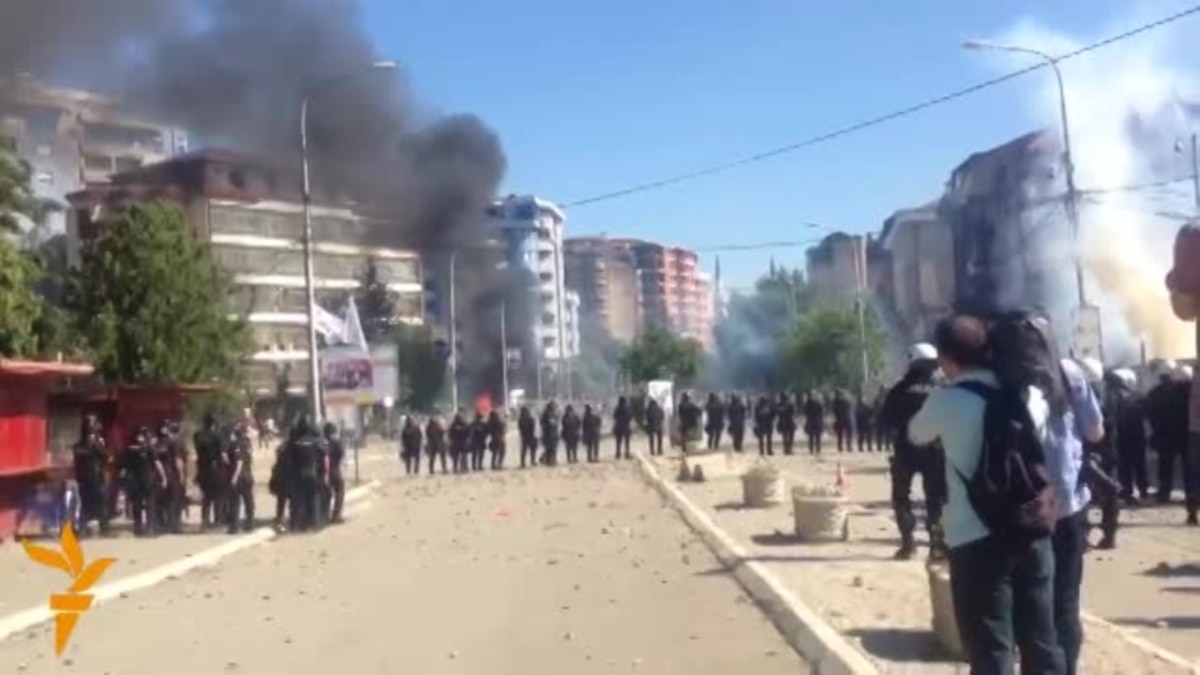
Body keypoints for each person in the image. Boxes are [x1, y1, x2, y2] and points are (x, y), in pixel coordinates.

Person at [908, 315, 1065, 674]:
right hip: (1032, 528)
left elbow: (916, 434)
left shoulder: (947, 400)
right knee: (1042, 639)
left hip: (976, 537)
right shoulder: (1029, 396)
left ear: (947, 360)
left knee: (991, 648)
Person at [880, 343, 945, 561]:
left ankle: (908, 545)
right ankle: (936, 548)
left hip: (905, 451)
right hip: (935, 452)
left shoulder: (899, 390)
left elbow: (884, 421)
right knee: (935, 500)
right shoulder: (942, 390)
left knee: (901, 497)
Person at [1109, 369, 1149, 504]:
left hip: (1128, 437)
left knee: (1130, 466)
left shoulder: (1134, 397)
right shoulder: (1138, 397)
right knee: (1133, 466)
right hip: (1130, 437)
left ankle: (1132, 491)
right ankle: (1134, 491)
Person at [122, 427, 163, 537]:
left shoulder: (129, 449)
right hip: (148, 479)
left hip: (135, 480)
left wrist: (126, 481)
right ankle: (150, 528)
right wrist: (163, 477)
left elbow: (125, 467)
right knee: (150, 504)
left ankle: (138, 528)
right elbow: (157, 463)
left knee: (137, 505)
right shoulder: (150, 448)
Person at [74, 415, 110, 537]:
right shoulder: (80, 444)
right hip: (84, 478)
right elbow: (78, 454)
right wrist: (90, 446)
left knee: (102, 503)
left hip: (97, 476)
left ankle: (104, 529)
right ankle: (83, 530)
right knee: (85, 504)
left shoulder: (99, 441)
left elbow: (106, 457)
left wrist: (97, 445)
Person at [193, 413, 225, 530]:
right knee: (218, 498)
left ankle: (204, 522)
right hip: (215, 469)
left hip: (202, 469)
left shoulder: (197, 435)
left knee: (206, 498)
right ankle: (217, 522)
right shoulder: (217, 436)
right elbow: (220, 454)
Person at [225, 424, 255, 534]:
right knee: (249, 501)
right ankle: (250, 524)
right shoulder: (248, 443)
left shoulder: (235, 444)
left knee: (234, 502)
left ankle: (234, 526)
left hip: (239, 477)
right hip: (248, 475)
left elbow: (239, 462)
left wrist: (234, 477)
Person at [324, 422, 347, 523]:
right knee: (339, 491)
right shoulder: (336, 441)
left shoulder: (322, 441)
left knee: (326, 493)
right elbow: (342, 453)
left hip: (322, 471)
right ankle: (336, 515)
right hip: (334, 470)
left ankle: (324, 514)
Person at [540, 401, 561, 466]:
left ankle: (552, 460)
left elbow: (557, 423)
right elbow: (542, 423)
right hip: (548, 434)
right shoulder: (546, 414)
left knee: (553, 448)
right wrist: (548, 424)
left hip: (553, 434)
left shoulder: (554, 414)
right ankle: (549, 461)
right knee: (549, 449)